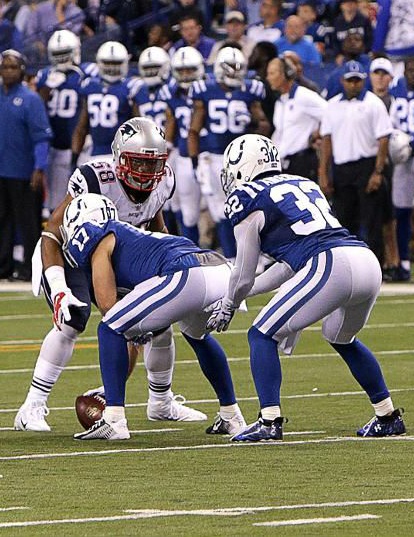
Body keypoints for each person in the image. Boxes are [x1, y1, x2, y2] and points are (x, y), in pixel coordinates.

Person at [206, 133, 406, 441]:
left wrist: (230, 303)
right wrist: (240, 293)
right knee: (340, 336)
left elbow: (243, 274)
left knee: (261, 335)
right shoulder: (303, 182)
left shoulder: (247, 197)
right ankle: (387, 415)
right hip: (364, 260)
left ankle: (269, 421)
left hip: (329, 263)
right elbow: (286, 268)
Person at [14, 117, 208, 432]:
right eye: (138, 162)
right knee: (71, 319)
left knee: (158, 323)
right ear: (119, 157)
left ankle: (161, 402)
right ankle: (31, 407)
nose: (146, 172)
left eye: (152, 163)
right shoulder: (96, 178)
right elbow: (52, 233)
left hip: (113, 256)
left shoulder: (164, 182)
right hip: (71, 255)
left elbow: (156, 226)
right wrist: (59, 287)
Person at [58, 193, 246, 440]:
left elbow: (107, 305)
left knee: (109, 327)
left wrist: (132, 329)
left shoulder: (98, 234)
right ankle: (231, 415)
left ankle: (114, 420)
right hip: (217, 268)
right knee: (197, 335)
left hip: (184, 271)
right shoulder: (129, 233)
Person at [188, 46, 270, 260]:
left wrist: (253, 122)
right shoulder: (205, 90)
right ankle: (232, 257)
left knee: (249, 207)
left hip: (243, 158)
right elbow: (194, 129)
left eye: (238, 67)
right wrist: (195, 162)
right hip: (215, 157)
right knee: (221, 211)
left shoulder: (250, 90)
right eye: (230, 67)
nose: (234, 72)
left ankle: (253, 255)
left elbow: (264, 126)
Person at [319, 60, 392, 262]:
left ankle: (376, 267)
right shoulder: (332, 106)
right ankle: (348, 267)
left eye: (357, 80)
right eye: (350, 80)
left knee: (372, 221)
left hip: (366, 166)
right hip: (342, 168)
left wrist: (378, 172)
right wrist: (323, 172)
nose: (353, 84)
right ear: (343, 81)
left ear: (363, 81)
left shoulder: (373, 104)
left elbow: (383, 139)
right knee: (344, 221)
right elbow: (326, 140)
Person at [0, 49, 52, 282]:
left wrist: (39, 168)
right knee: (2, 221)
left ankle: (30, 269)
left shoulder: (31, 100)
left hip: (24, 172)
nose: (8, 71)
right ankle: (3, 266)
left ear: (21, 70)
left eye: (13, 67)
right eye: (5, 67)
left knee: (28, 223)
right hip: (2, 171)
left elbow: (41, 138)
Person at [36, 29, 96, 211]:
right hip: (56, 145)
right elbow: (36, 106)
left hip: (81, 144)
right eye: (57, 54)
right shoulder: (45, 76)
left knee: (84, 199)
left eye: (64, 53)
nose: (61, 58)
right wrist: (46, 87)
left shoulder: (86, 72)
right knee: (56, 203)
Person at [160, 46, 205, 244]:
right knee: (188, 212)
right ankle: (192, 252)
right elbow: (171, 127)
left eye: (190, 70)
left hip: (211, 154)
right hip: (186, 157)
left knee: (221, 209)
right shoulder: (171, 94)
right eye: (182, 70)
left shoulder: (211, 89)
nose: (185, 75)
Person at [71, 41, 136, 166]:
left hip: (119, 155)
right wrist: (74, 158)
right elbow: (81, 127)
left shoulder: (130, 87)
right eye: (107, 63)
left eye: (116, 63)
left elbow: (139, 126)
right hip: (100, 154)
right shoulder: (91, 86)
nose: (111, 67)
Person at [266, 56, 326, 182]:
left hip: (302, 163)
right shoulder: (280, 101)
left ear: (286, 74)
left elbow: (331, 114)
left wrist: (318, 133)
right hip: (283, 165)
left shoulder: (304, 96)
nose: (268, 78)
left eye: (272, 73)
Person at [368, 57, 400, 281]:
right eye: (376, 73)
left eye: (384, 74)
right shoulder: (365, 102)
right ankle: (382, 262)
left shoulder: (395, 103)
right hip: (367, 162)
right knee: (374, 217)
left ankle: (394, 261)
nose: (380, 78)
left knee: (389, 217)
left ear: (390, 78)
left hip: (389, 163)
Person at [389, 56, 414, 281]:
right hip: (403, 159)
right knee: (401, 211)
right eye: (410, 70)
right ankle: (404, 262)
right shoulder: (396, 92)